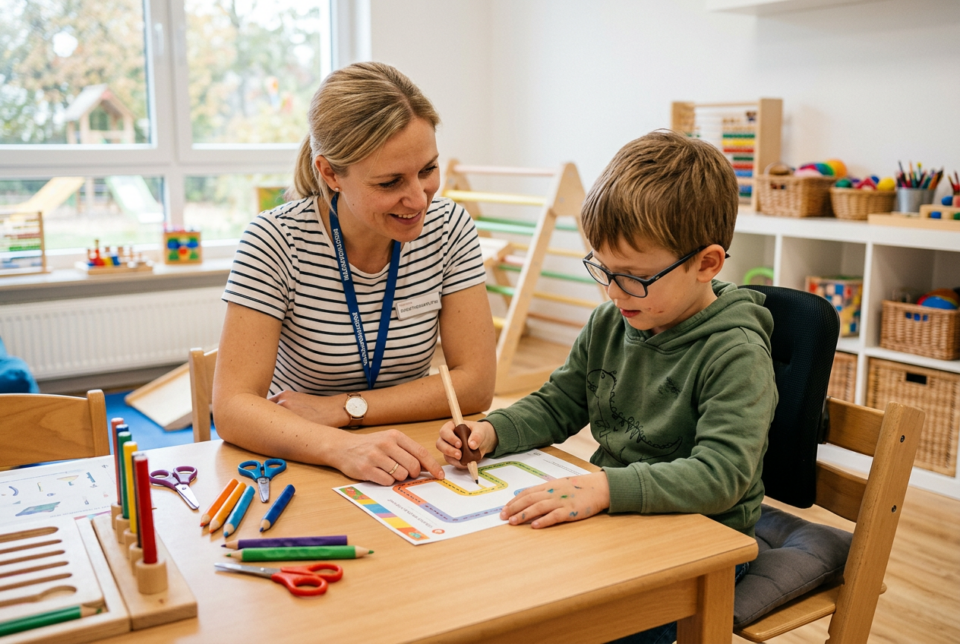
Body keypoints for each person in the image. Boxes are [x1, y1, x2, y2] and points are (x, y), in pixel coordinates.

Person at [437, 129, 777, 643]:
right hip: (617, 514)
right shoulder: (612, 321)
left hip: (706, 542)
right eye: (603, 269)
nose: (614, 292)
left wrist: (603, 486)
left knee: (594, 628)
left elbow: (722, 475)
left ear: (707, 263)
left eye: (634, 277)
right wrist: (491, 432)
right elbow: (559, 404)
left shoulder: (735, 354)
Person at [215, 62, 496, 486]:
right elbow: (233, 407)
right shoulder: (274, 241)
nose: (418, 199)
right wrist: (340, 445)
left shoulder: (449, 227)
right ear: (330, 173)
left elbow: (475, 386)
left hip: (406, 450)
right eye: (390, 183)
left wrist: (346, 409)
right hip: (306, 456)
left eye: (427, 170)